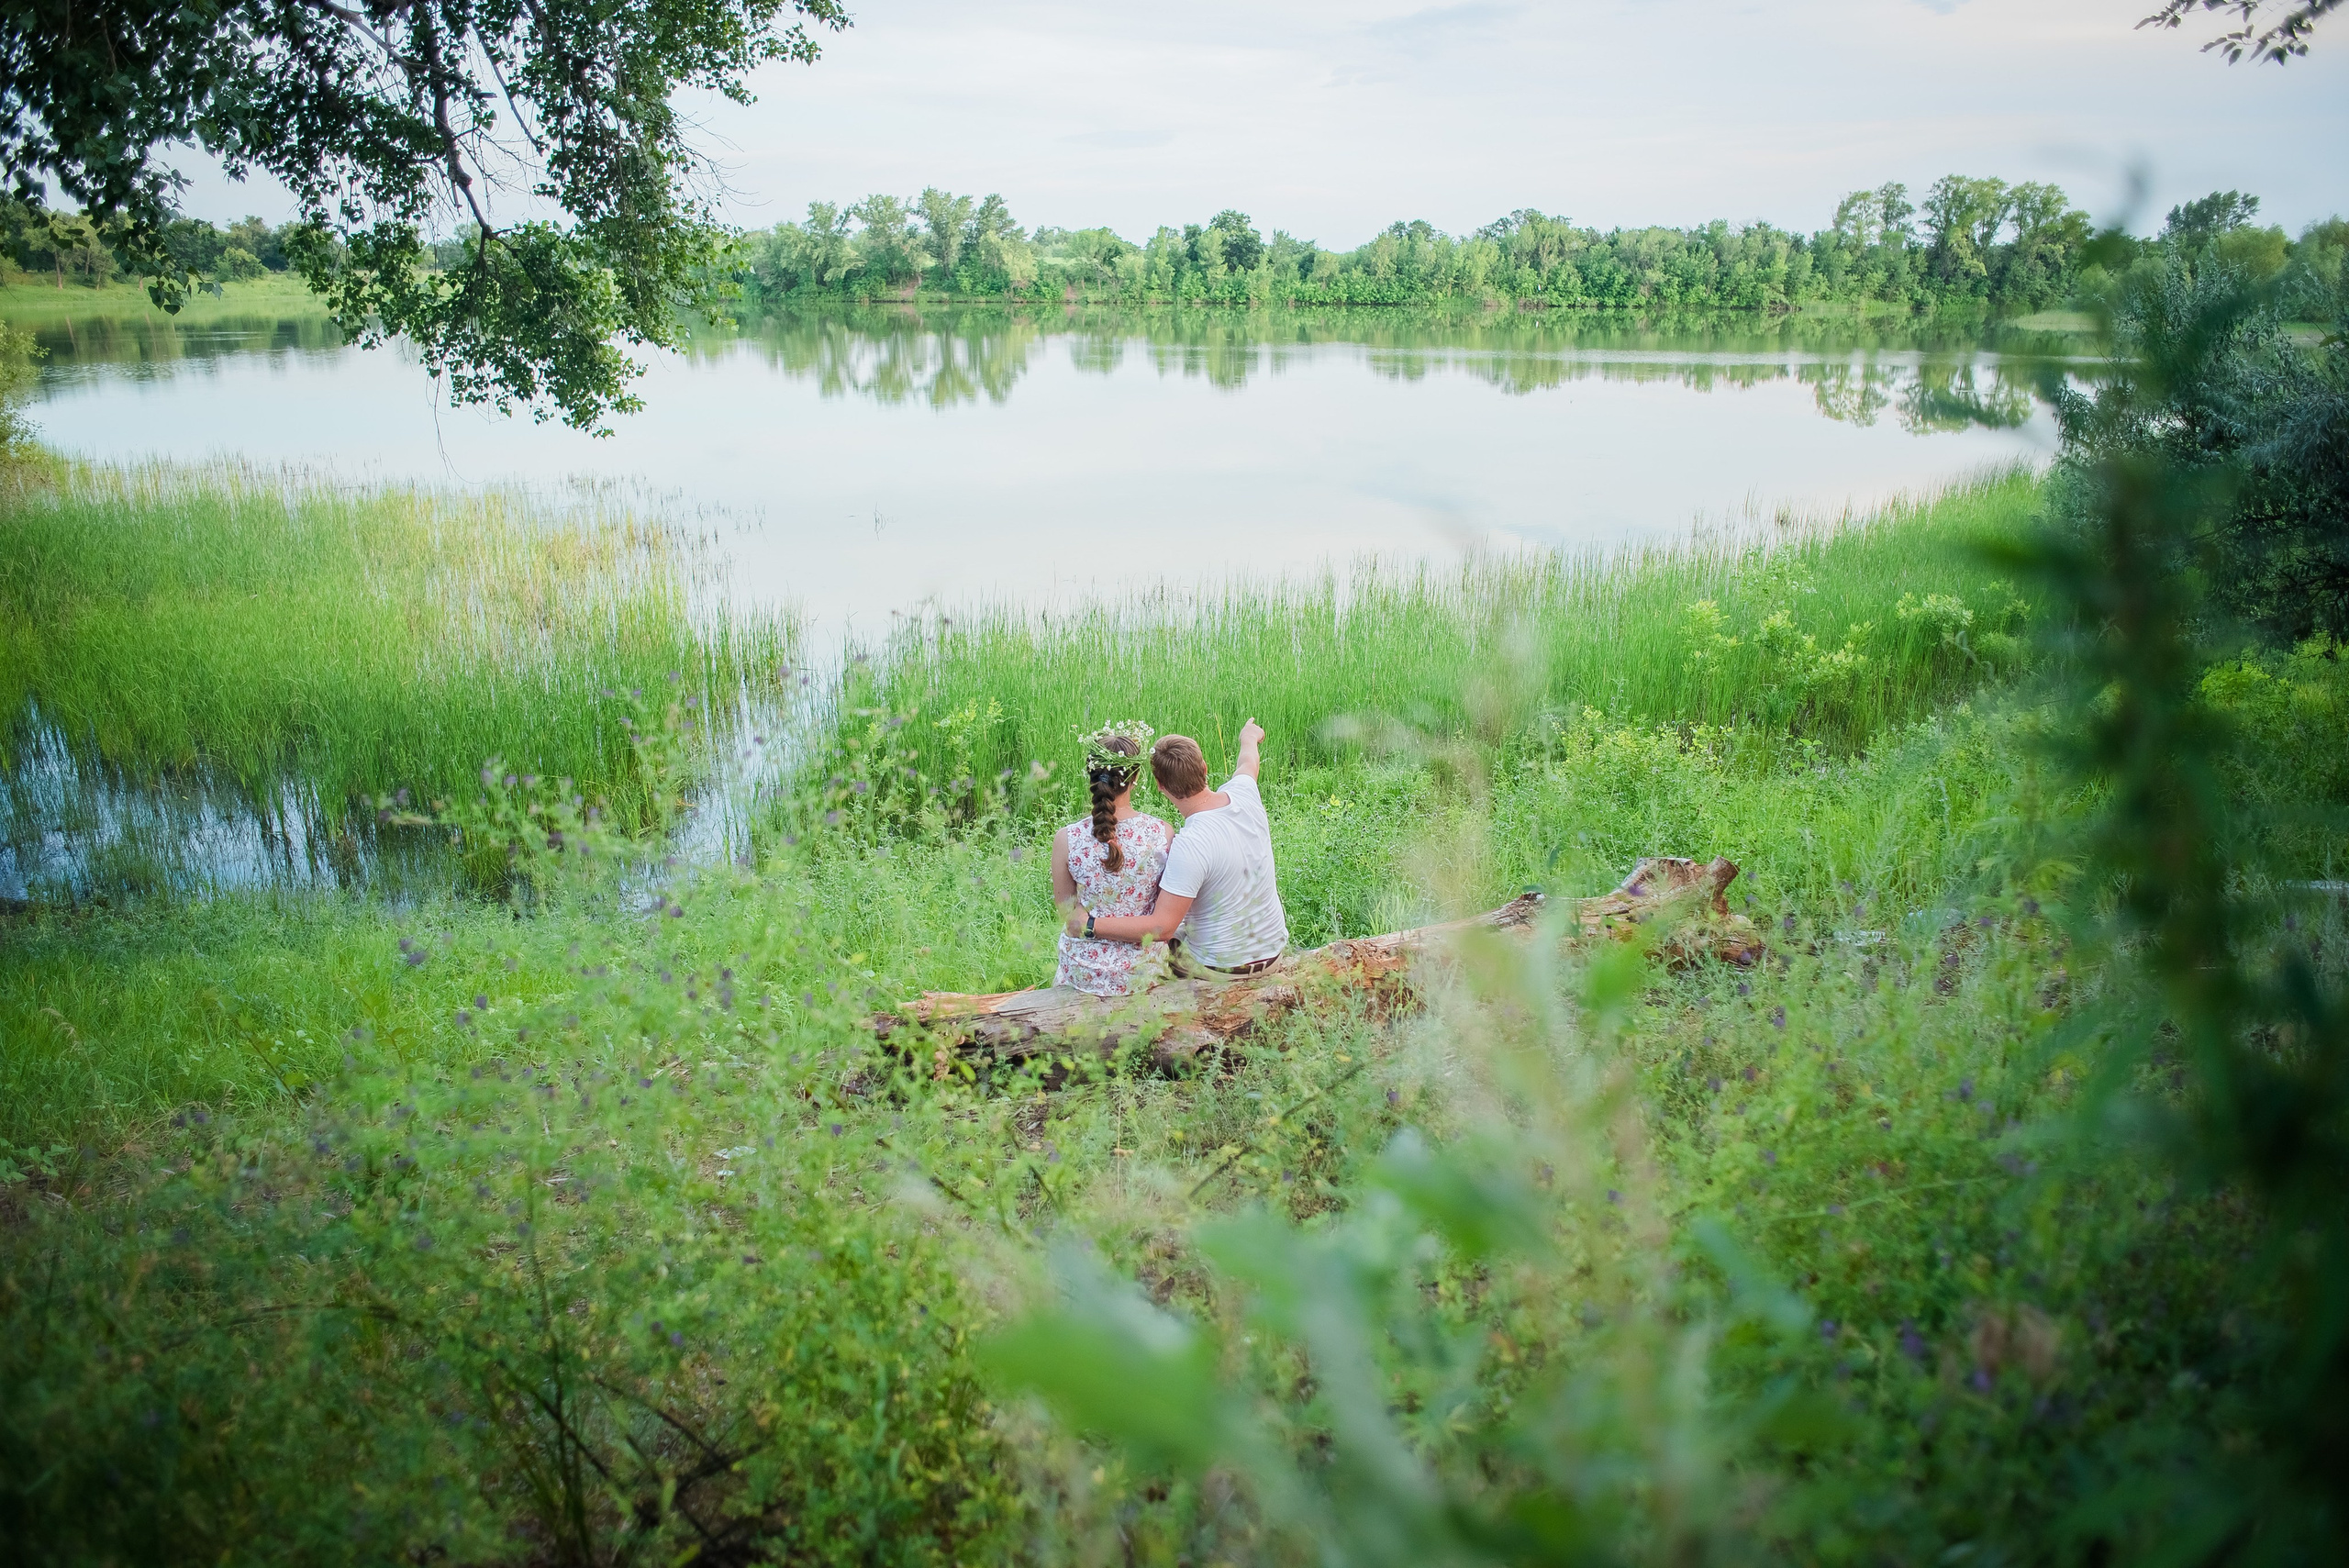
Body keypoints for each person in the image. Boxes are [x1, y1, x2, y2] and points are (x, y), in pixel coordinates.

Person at [1072, 718, 1288, 977]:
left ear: (1160, 785)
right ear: (1204, 768)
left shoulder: (1190, 843)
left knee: (1162, 948)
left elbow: (1162, 927)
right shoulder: (1245, 793)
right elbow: (1248, 762)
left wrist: (1090, 924)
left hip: (1224, 970)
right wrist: (1249, 737)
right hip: (1273, 954)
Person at [1050, 723, 1174, 996]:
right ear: (1135, 777)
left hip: (1083, 973)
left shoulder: (1066, 839)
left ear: (1090, 774)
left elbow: (1070, 917)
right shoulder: (1162, 834)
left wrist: (1091, 926)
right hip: (1143, 972)